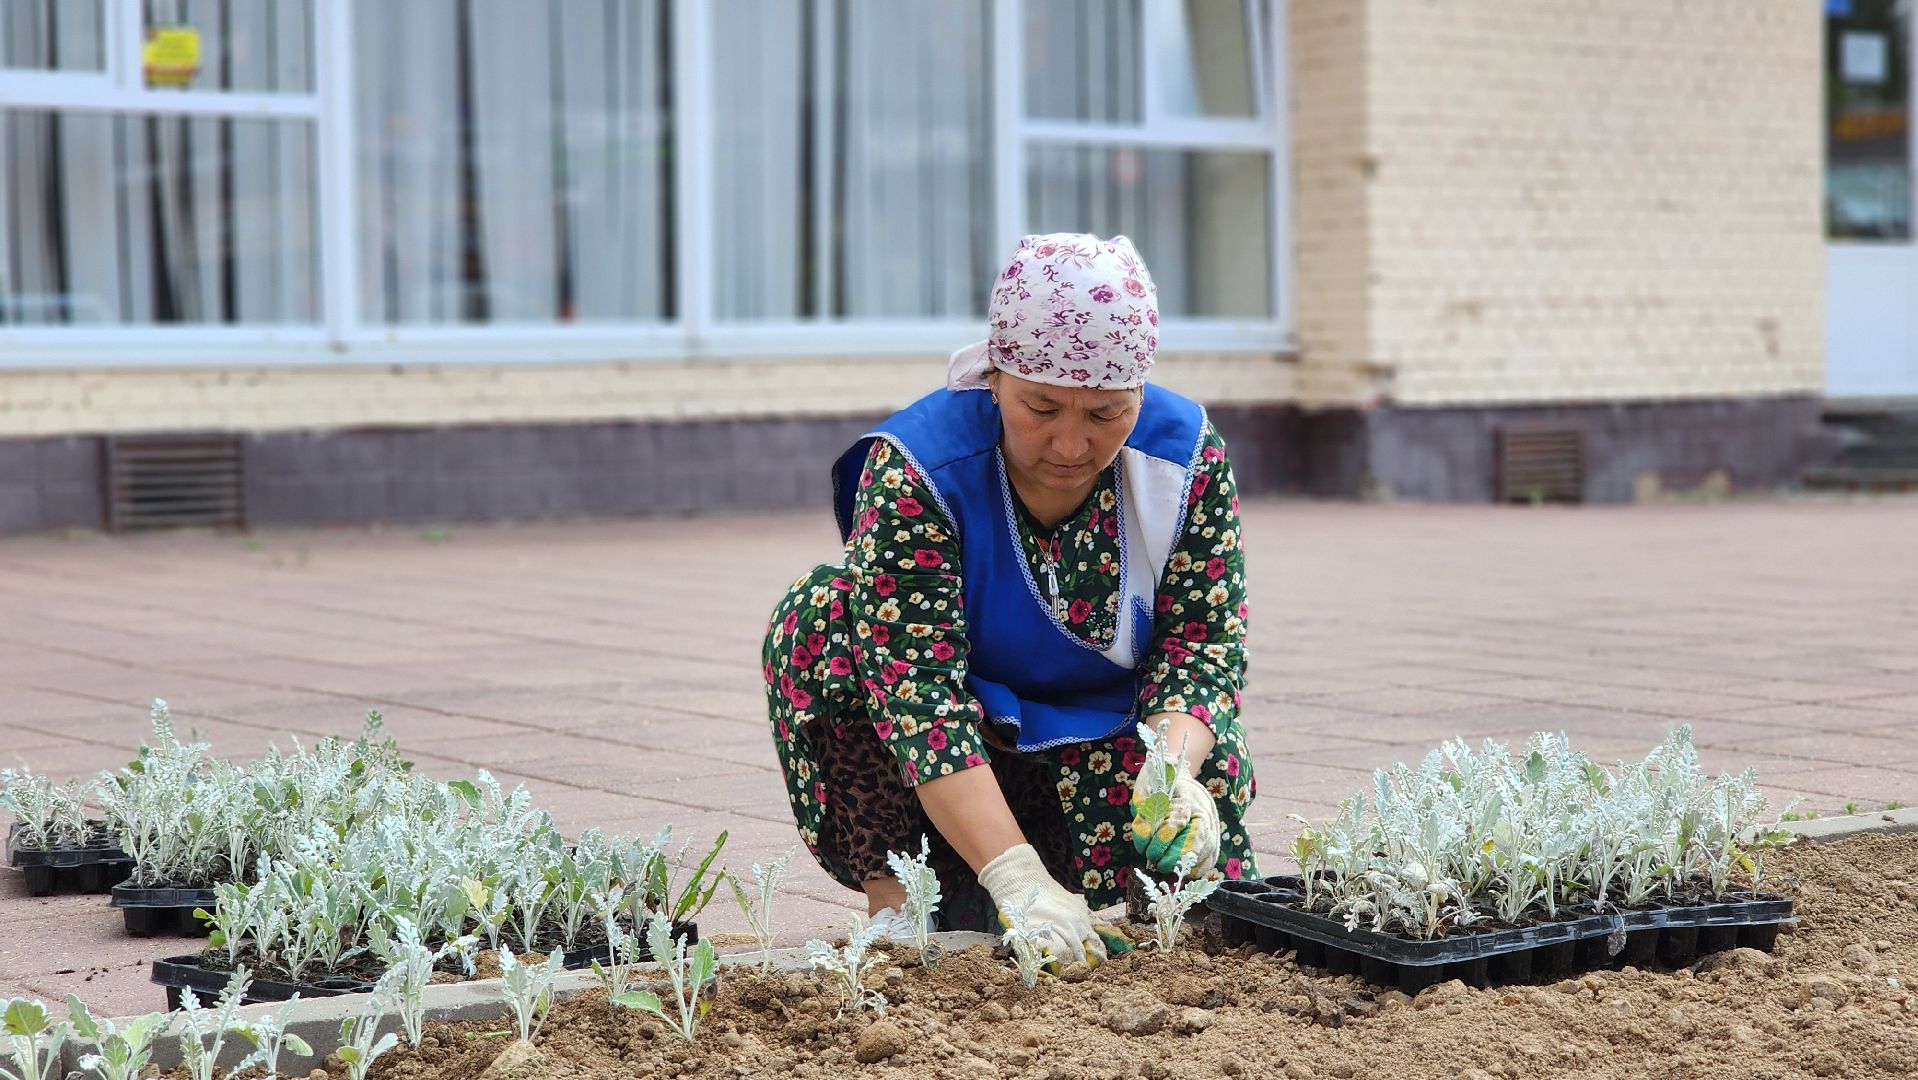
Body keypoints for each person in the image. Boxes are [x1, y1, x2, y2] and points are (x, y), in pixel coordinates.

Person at [763, 233, 1257, 970]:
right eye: (1042, 407)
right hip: (966, 759)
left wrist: (1172, 770)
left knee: (1198, 932)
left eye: (1105, 415)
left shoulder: (1183, 458)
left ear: (1140, 395)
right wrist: (1015, 877)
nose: (1069, 444)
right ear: (995, 377)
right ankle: (907, 909)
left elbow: (1201, 645)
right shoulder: (920, 471)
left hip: (1104, 744)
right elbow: (919, 695)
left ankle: (1152, 909)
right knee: (823, 617)